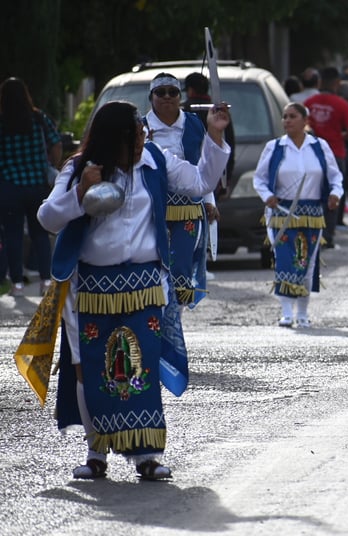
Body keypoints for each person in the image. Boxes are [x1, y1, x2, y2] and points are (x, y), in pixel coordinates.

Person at [35, 100, 230, 480]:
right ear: (117, 138)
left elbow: (201, 181)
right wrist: (80, 193)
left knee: (141, 365)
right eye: (137, 134)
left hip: (144, 285)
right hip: (89, 287)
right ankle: (96, 455)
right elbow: (47, 218)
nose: (144, 138)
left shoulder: (155, 161)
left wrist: (215, 133)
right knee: (88, 368)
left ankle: (147, 456)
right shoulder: (79, 168)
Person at [252, 102, 343, 328]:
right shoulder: (274, 147)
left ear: (305, 120)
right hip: (282, 213)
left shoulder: (319, 146)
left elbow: (335, 176)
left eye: (292, 116)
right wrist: (267, 196)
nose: (287, 121)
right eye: (284, 117)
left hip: (312, 213)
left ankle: (302, 313)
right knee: (284, 260)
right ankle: (286, 312)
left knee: (307, 261)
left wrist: (334, 194)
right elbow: (259, 178)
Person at [144, 73, 217, 307]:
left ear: (180, 96)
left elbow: (205, 166)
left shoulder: (194, 124)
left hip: (188, 208)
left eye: (172, 92)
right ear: (151, 97)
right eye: (160, 92)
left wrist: (209, 200)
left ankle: (176, 319)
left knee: (182, 264)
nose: (167, 97)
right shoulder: (140, 128)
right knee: (155, 263)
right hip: (152, 208)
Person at [0, 77, 62, 297]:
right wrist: (51, 166)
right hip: (37, 184)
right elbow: (56, 143)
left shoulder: (2, 122)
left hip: (9, 187)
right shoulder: (38, 118)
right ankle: (46, 280)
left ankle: (17, 284)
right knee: (40, 234)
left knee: (13, 235)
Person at [304, 67, 348, 249]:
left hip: (311, 155)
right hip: (336, 154)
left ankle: (310, 232)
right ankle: (327, 236)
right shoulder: (341, 104)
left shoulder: (308, 103)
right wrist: (337, 135)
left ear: (319, 82)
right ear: (337, 83)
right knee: (333, 195)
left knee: (312, 193)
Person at [183, 72, 236, 198]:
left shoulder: (184, 110)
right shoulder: (219, 112)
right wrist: (226, 177)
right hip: (205, 173)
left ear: (190, 90)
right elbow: (230, 143)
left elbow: (226, 143)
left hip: (191, 175)